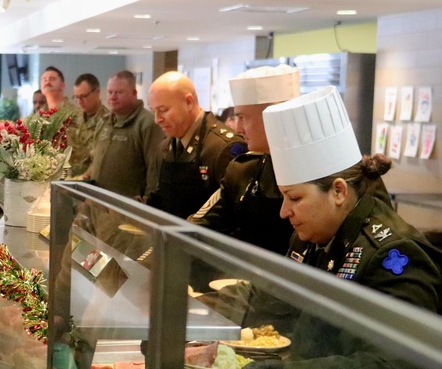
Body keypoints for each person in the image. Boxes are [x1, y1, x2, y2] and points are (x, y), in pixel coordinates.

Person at [252, 85, 442, 369]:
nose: (284, 212)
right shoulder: (312, 236)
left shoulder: (394, 255)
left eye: (294, 197)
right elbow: (283, 304)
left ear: (339, 192)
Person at [189, 65, 302, 255]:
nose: (238, 129)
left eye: (243, 118)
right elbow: (200, 223)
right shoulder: (243, 170)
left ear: (274, 117)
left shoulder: (320, 177)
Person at [145, 71, 247, 219]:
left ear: (189, 102)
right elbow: (163, 198)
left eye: (163, 110)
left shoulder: (222, 148)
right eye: (153, 111)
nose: (157, 119)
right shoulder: (165, 147)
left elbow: (233, 216)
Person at [85, 70, 165, 200]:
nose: (113, 97)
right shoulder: (104, 122)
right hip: (98, 204)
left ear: (134, 94)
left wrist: (149, 202)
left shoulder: (147, 123)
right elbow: (95, 159)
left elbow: (154, 169)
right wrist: (88, 174)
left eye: (119, 92)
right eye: (110, 92)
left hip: (127, 208)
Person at [68, 72, 111, 176]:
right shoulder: (73, 117)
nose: (79, 101)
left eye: (83, 96)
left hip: (91, 180)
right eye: (76, 97)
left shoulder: (108, 121)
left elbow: (101, 158)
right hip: (69, 178)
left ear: (97, 92)